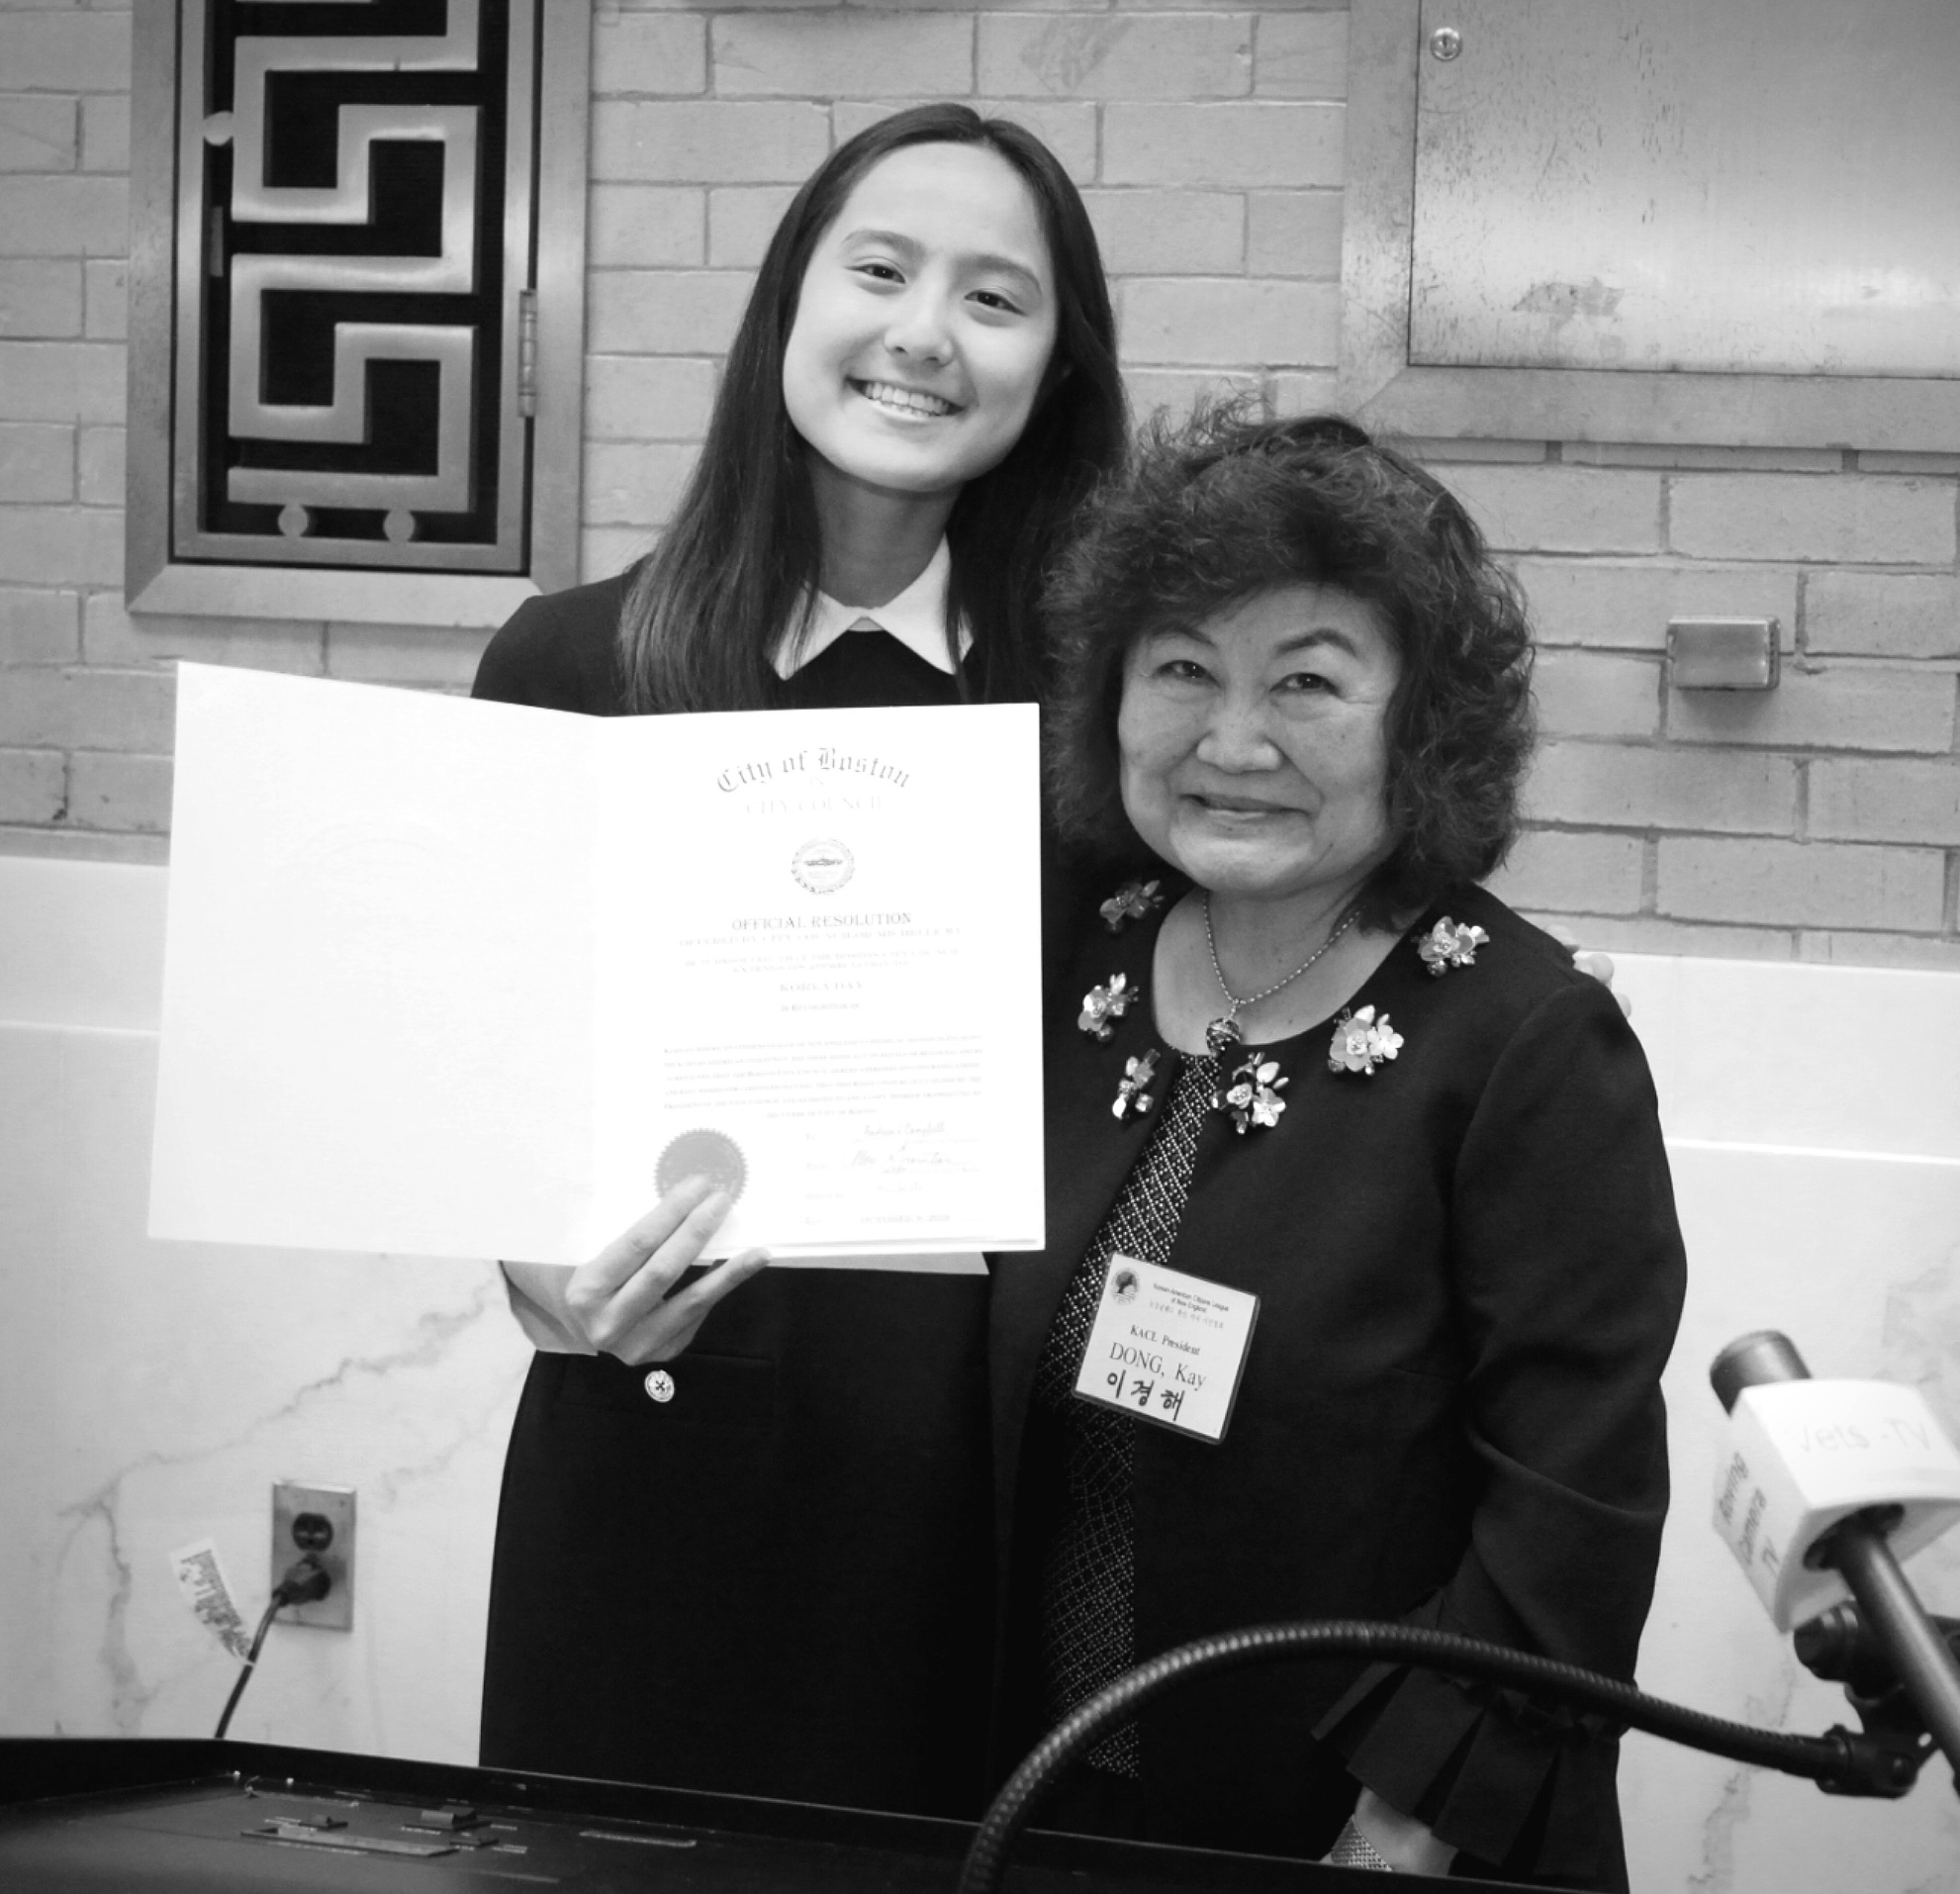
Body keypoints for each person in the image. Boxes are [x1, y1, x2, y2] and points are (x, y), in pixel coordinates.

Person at [471, 103, 1127, 1816]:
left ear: (1056, 367)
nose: (924, 334)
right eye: (881, 271)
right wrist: (545, 1266)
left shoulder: (1102, 718)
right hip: (649, 1450)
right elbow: (492, 1086)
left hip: (977, 1490)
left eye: (994, 298)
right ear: (788, 303)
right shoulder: (574, 664)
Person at [988, 409, 1686, 1886]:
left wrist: (1402, 1825)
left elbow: (1571, 1512)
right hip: (1041, 1796)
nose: (1231, 742)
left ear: (1423, 725)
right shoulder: (1067, 965)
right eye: (1182, 668)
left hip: (1358, 1827)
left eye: (1306, 682)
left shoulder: (1522, 1039)